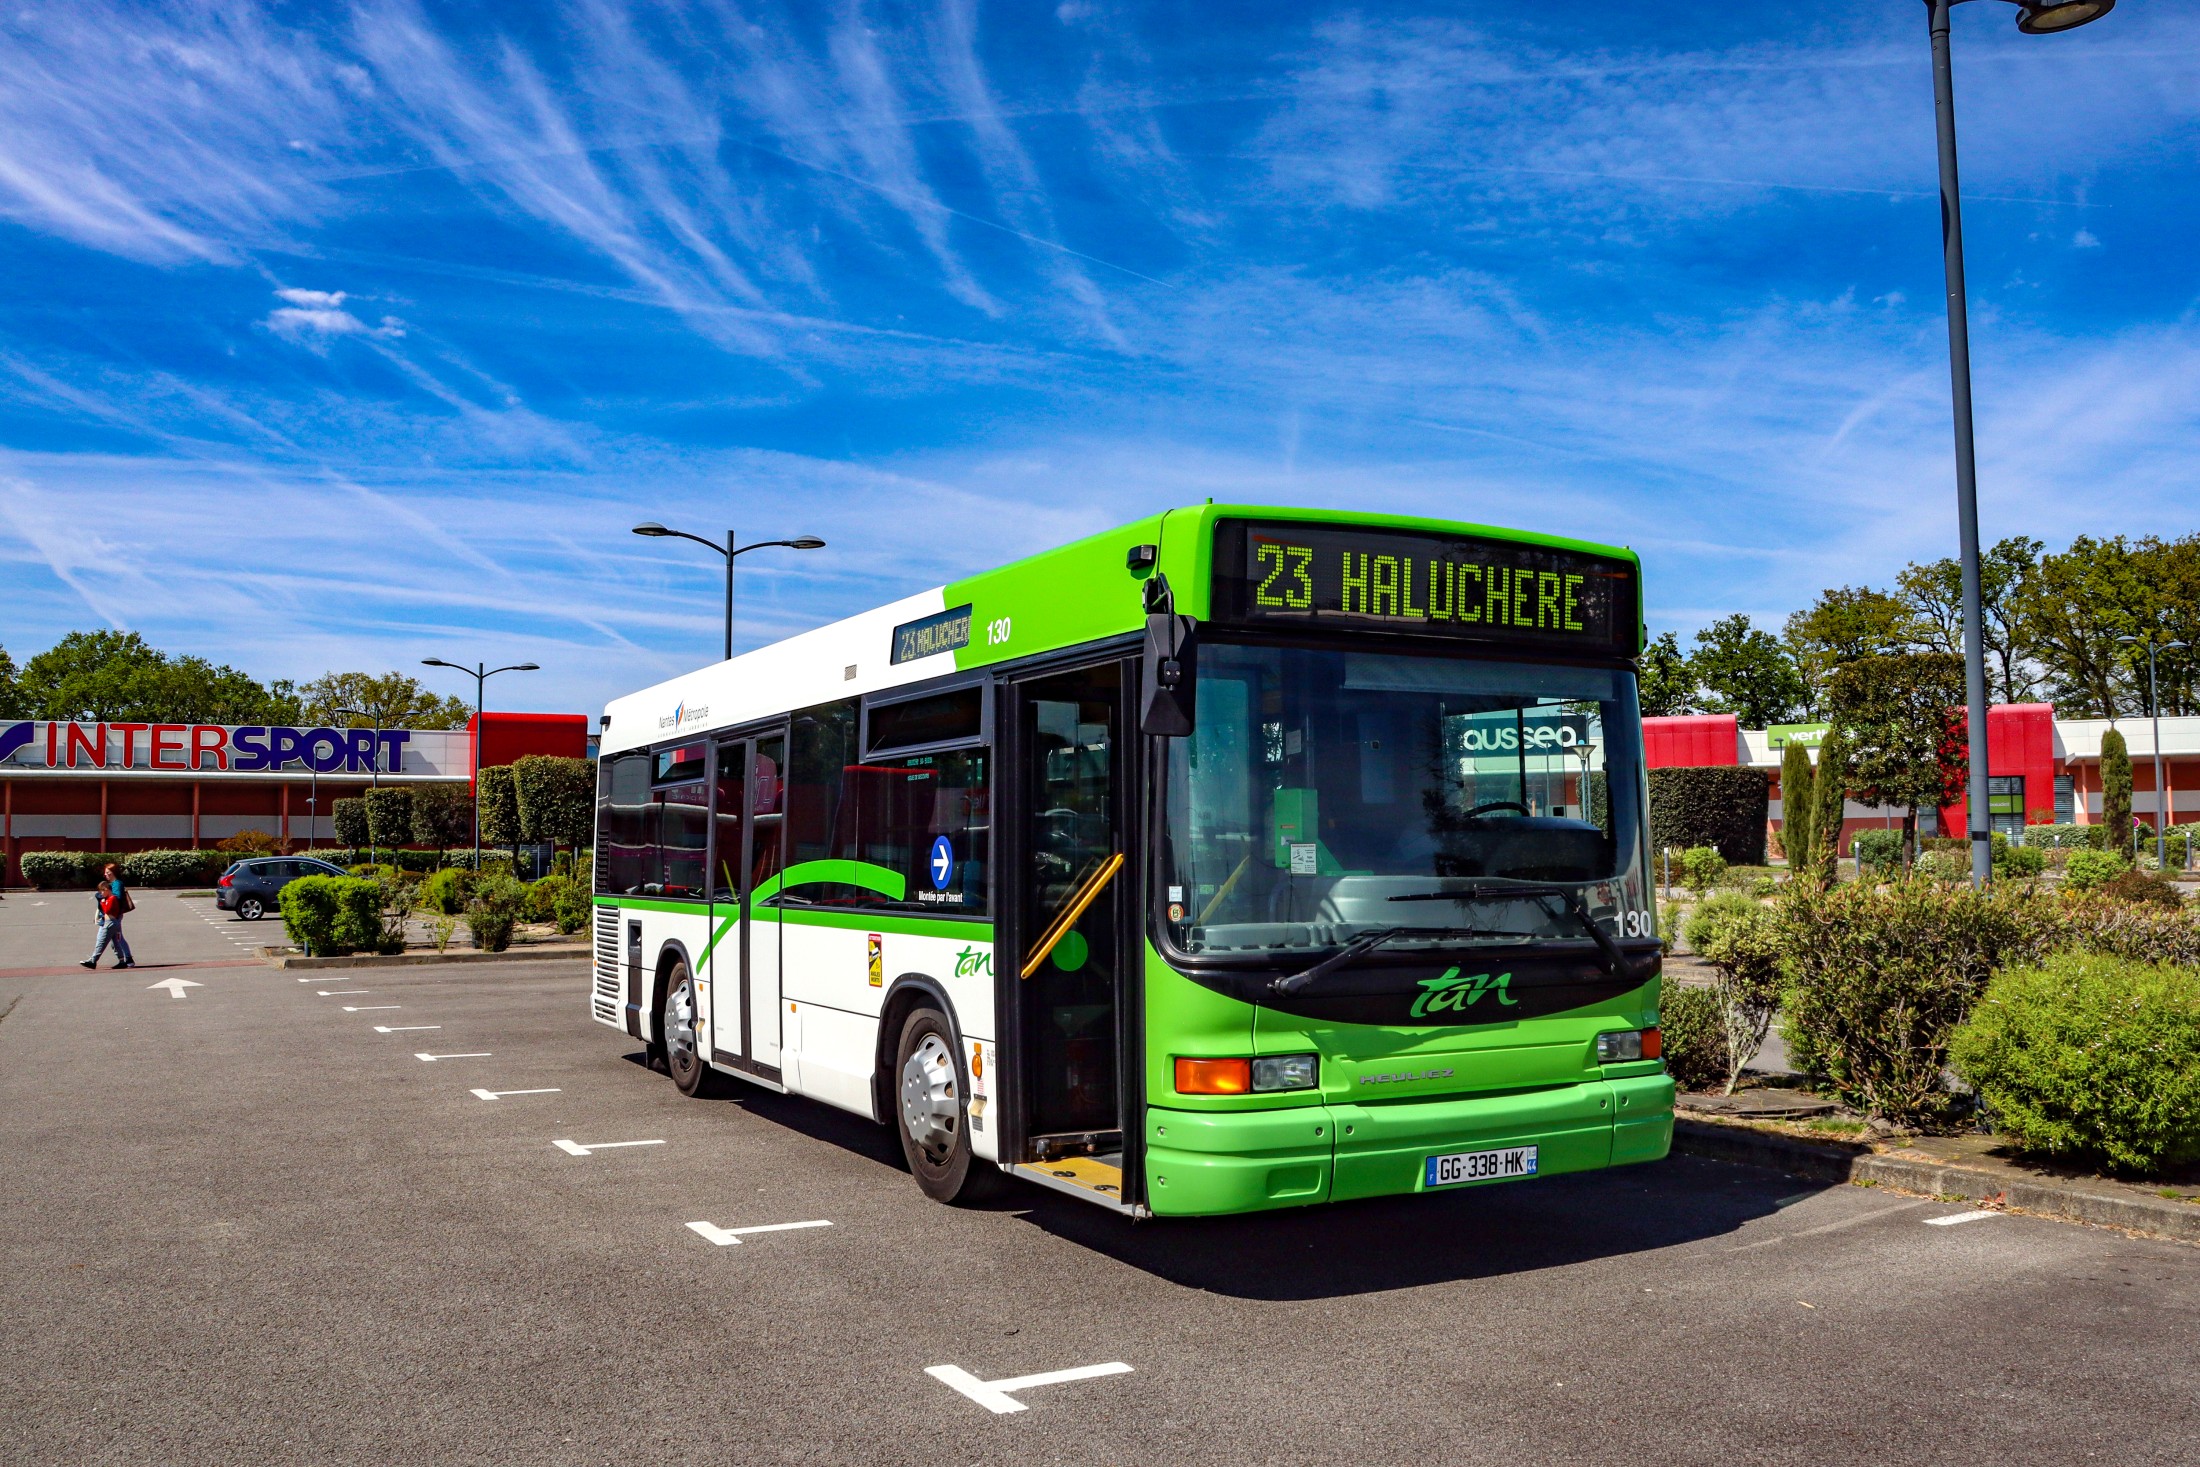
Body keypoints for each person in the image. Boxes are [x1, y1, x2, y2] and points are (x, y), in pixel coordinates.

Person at [81, 862, 136, 970]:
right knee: (117, 939)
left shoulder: (117, 884)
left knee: (105, 939)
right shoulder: (112, 884)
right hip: (111, 916)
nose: (105, 874)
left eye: (107, 872)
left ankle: (93, 961)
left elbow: (116, 899)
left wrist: (104, 899)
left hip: (112, 917)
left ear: (113, 872)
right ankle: (126, 959)